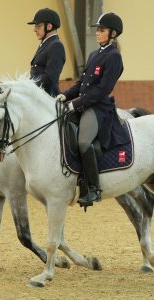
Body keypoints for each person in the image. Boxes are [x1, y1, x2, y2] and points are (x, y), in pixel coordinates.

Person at [57, 12, 129, 207]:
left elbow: (102, 90)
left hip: (98, 108)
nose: (97, 33)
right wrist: (65, 95)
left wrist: (76, 104)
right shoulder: (94, 54)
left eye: (101, 30)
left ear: (113, 33)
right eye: (97, 30)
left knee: (83, 142)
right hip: (83, 102)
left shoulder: (114, 57)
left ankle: (94, 188)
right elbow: (82, 83)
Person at [27, 8, 66, 97]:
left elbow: (50, 77)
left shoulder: (56, 46)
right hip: (38, 95)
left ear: (49, 26)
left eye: (38, 26)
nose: (35, 30)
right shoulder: (46, 44)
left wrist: (28, 86)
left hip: (47, 98)